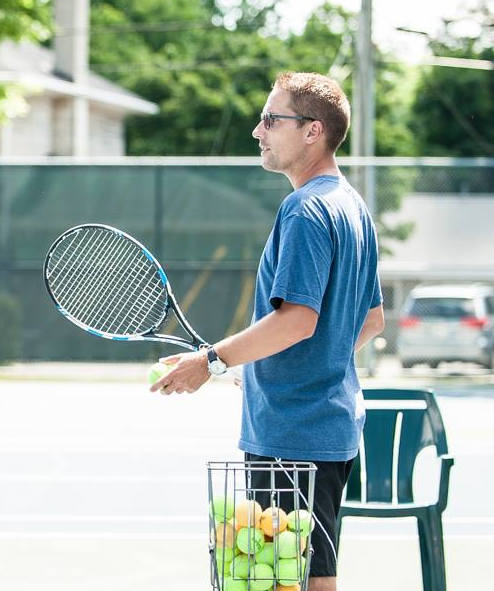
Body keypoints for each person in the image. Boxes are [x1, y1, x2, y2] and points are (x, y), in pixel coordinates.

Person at [149, 72, 385, 591]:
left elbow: (298, 320)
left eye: (271, 119)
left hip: (293, 432)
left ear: (312, 131)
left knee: (282, 580)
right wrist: (267, 362)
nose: (258, 130)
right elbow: (368, 320)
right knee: (311, 574)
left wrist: (211, 362)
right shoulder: (353, 207)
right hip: (328, 427)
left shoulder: (305, 209)